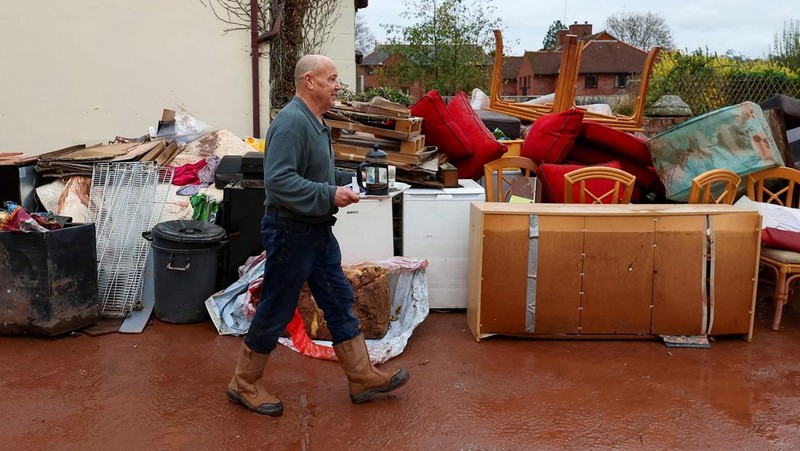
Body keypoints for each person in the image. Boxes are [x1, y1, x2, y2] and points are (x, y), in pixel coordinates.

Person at [226, 54, 410, 417]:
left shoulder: (315, 122)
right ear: (309, 81)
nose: (337, 85)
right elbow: (278, 181)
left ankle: (360, 377)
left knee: (339, 299)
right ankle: (243, 383)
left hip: (316, 231)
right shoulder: (293, 123)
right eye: (332, 78)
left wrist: (346, 182)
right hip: (290, 232)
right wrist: (330, 195)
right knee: (277, 306)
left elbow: (312, 172)